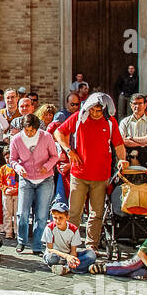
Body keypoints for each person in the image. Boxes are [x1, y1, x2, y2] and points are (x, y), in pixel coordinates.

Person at [54, 94, 126, 251]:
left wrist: (122, 159)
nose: (95, 113)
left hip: (101, 175)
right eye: (92, 110)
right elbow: (59, 132)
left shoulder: (110, 122)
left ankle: (91, 246)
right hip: (79, 174)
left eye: (99, 111)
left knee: (96, 213)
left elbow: (119, 144)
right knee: (74, 212)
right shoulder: (79, 118)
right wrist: (69, 151)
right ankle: (70, 244)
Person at [9, 113, 58, 254]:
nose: (29, 133)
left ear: (37, 129)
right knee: (22, 213)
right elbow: (12, 159)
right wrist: (18, 167)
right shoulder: (16, 139)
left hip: (45, 179)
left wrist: (47, 166)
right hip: (26, 178)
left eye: (32, 130)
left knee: (41, 215)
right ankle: (21, 241)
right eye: (27, 130)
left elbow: (55, 156)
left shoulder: (46, 137)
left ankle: (37, 245)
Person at [41, 202, 99, 275]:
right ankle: (80, 267)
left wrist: (71, 258)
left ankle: (66, 268)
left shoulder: (73, 229)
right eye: (55, 218)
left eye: (61, 218)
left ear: (67, 217)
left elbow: (73, 250)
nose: (58, 221)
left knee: (91, 254)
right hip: (56, 255)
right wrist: (67, 257)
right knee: (52, 258)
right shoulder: (49, 228)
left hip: (68, 254)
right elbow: (50, 249)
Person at [119, 94, 147, 171]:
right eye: (135, 103)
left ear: (145, 105)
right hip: (127, 160)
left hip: (146, 162)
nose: (137, 106)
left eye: (140, 103)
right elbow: (122, 141)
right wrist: (144, 142)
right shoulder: (124, 122)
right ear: (131, 105)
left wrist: (131, 138)